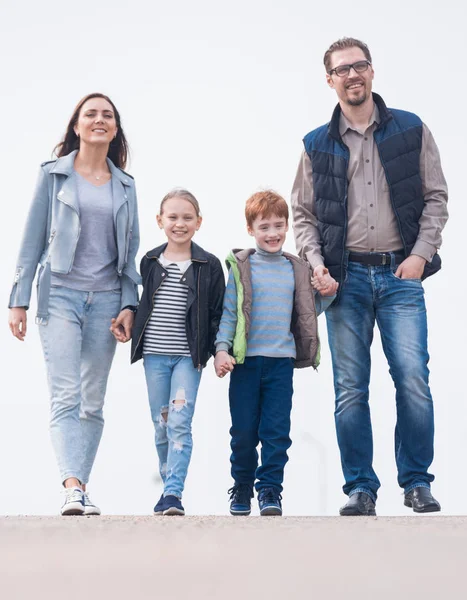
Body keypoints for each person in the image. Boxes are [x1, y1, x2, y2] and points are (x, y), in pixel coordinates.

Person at [291, 37, 448, 516]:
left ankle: (417, 483)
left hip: (402, 274)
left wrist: (421, 255)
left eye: (359, 65)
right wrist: (317, 266)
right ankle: (361, 487)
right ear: (330, 79)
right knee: (350, 389)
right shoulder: (315, 144)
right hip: (346, 280)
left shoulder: (411, 129)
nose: (352, 74)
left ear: (372, 72)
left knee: (413, 380)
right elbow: (302, 216)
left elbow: (436, 198)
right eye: (342, 69)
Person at [8, 93, 141, 516]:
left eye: (107, 115)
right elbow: (32, 239)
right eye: (91, 114)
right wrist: (18, 300)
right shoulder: (53, 176)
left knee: (93, 400)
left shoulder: (125, 185)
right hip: (59, 295)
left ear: (115, 129)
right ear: (77, 127)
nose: (99, 120)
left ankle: (81, 484)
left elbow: (129, 253)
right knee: (65, 395)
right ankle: (71, 487)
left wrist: (129, 305)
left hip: (105, 301)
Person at [215, 190, 332, 517]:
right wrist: (221, 350)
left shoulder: (295, 268)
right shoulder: (242, 268)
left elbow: (310, 309)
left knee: (276, 432)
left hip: (280, 364)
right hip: (245, 364)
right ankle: (241, 486)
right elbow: (230, 314)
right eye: (264, 227)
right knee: (243, 432)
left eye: (279, 226)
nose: (273, 233)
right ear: (250, 229)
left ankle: (270, 489)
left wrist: (330, 293)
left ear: (287, 227)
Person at [125, 189, 225, 516]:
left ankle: (173, 493)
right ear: (160, 221)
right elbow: (143, 304)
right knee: (162, 423)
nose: (179, 224)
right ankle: (167, 478)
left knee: (180, 421)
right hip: (154, 355)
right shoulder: (150, 261)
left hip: (187, 358)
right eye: (172, 217)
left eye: (186, 217)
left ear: (198, 222)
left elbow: (215, 312)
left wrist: (213, 351)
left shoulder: (208, 265)